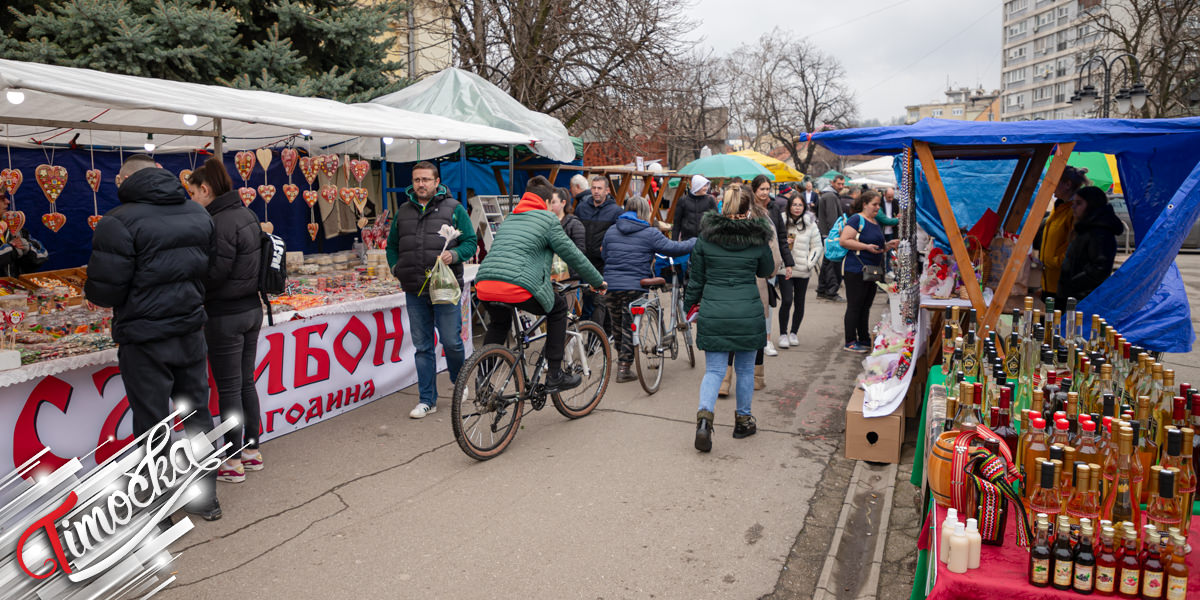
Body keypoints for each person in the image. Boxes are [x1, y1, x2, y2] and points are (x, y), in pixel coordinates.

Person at [84, 154, 221, 520]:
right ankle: (205, 497)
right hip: (189, 330)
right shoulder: (197, 213)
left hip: (145, 339)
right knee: (197, 415)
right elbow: (210, 270)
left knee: (151, 425)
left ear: (124, 180)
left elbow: (103, 292)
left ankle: (159, 507)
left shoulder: (117, 222)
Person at [476, 176, 607, 391]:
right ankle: (554, 374)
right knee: (559, 308)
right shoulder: (547, 220)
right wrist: (597, 281)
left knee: (499, 323)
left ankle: (481, 378)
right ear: (546, 202)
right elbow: (573, 255)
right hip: (518, 286)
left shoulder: (510, 218)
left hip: (486, 284)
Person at [186, 158, 264, 485]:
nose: (191, 199)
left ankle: (232, 460)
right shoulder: (247, 213)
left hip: (225, 314)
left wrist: (192, 277)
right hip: (251, 310)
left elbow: (217, 271)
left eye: (192, 192)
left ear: (205, 190)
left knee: (230, 386)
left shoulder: (218, 221)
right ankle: (252, 450)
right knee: (245, 381)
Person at [684, 186, 775, 453]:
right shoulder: (757, 238)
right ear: (748, 209)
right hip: (748, 311)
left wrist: (688, 306)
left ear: (723, 207)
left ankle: (704, 420)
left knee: (714, 371)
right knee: (746, 370)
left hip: (714, 310)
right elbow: (767, 269)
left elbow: (697, 279)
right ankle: (743, 421)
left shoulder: (705, 238)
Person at [385, 161, 478, 419]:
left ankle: (459, 382)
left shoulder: (454, 208)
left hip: (445, 289)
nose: (421, 184)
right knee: (423, 347)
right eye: (417, 180)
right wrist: (396, 267)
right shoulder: (402, 211)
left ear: (437, 182)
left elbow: (470, 242)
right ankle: (427, 399)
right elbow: (391, 245)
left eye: (426, 179)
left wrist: (456, 254)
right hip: (414, 289)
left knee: (451, 341)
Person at [602, 196, 695, 382]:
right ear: (644, 212)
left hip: (610, 284)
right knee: (629, 325)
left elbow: (605, 254)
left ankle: (623, 358)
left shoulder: (611, 231)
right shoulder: (649, 232)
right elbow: (673, 248)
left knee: (617, 324)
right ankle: (623, 368)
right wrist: (694, 241)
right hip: (635, 285)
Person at [838, 190, 897, 353]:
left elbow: (875, 247)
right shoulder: (857, 219)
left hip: (872, 270)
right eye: (874, 204)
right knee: (855, 306)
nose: (878, 208)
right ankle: (850, 340)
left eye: (879, 204)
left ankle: (863, 338)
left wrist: (888, 245)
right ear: (865, 204)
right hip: (856, 269)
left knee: (865, 306)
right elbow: (844, 240)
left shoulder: (874, 221)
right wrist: (865, 247)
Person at [1057, 186, 1124, 304]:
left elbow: (1099, 269)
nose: (1073, 207)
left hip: (1084, 299)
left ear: (1091, 205)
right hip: (1073, 296)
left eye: (1079, 203)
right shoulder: (1086, 229)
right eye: (1074, 203)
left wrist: (1072, 284)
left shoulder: (1100, 233)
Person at [751, 174, 792, 360]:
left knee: (768, 302)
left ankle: (767, 339)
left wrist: (788, 262)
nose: (765, 193)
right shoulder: (748, 208)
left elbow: (782, 237)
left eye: (768, 189)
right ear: (754, 190)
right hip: (750, 262)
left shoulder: (775, 208)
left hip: (770, 262)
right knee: (753, 303)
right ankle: (753, 338)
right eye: (762, 189)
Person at [1037, 166, 1090, 304]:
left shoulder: (1075, 211)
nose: (1051, 185)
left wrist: (1052, 261)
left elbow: (1075, 248)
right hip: (1050, 284)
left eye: (1055, 181)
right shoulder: (1059, 207)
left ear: (1067, 184)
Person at [575, 175, 621, 330]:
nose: (596, 191)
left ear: (607, 190)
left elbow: (620, 235)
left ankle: (595, 340)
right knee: (587, 298)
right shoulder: (581, 208)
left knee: (600, 300)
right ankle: (602, 332)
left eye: (599, 188)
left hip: (604, 263)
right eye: (593, 188)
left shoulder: (616, 211)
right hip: (585, 261)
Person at [779, 194, 821, 347]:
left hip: (803, 269)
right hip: (785, 268)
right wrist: (783, 242)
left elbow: (817, 245)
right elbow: (773, 241)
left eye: (800, 205)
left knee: (799, 301)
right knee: (787, 300)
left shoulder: (810, 224)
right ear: (789, 206)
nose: (797, 208)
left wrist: (810, 263)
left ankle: (793, 332)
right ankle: (783, 333)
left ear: (804, 207)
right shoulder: (781, 221)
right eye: (794, 204)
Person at [0, 189, 47, 277]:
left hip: (16, 288)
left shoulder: (14, 227)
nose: (8, 201)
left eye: (6, 197)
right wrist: (11, 251)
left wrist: (28, 249)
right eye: (2, 198)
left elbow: (43, 255)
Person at [816, 174, 846, 301]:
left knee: (827, 263)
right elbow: (833, 218)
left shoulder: (829, 195)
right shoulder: (830, 196)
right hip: (831, 235)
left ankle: (822, 289)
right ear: (832, 183)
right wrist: (836, 235)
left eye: (842, 184)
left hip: (827, 234)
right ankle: (831, 291)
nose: (841, 186)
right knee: (833, 264)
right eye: (839, 184)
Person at [672, 175, 718, 242]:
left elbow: (716, 221)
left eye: (706, 186)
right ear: (697, 186)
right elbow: (677, 224)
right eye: (703, 186)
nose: (706, 188)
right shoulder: (683, 201)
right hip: (687, 240)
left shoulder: (710, 200)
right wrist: (674, 242)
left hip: (705, 239)